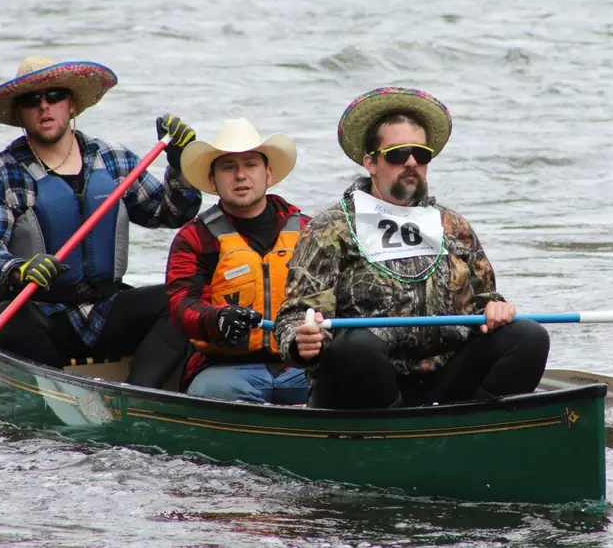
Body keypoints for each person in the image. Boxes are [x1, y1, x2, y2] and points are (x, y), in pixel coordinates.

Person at [273, 87, 550, 409]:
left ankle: (479, 425)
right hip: (358, 383)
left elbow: (484, 301)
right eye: (396, 154)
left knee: (528, 336)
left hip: (443, 379)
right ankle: (388, 437)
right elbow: (293, 316)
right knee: (356, 344)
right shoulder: (330, 229)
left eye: (421, 154)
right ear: (371, 162)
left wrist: (497, 309)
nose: (410, 163)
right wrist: (301, 340)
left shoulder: (453, 226)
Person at [0, 55, 202, 388]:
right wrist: (17, 269)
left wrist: (181, 165)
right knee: (7, 319)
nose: (45, 106)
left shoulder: (114, 160)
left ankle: (139, 395)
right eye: (32, 100)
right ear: (20, 114)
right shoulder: (1, 174)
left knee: (181, 302)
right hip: (40, 316)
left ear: (71, 105)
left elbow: (171, 212)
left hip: (106, 310)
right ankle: (58, 394)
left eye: (54, 96)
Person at [165, 118, 310, 404]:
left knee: (347, 383)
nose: (241, 175)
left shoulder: (308, 230)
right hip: (224, 370)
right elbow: (181, 304)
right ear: (213, 180)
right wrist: (216, 319)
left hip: (300, 367)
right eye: (229, 167)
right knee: (213, 394)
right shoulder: (194, 237)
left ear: (268, 174)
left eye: (250, 165)